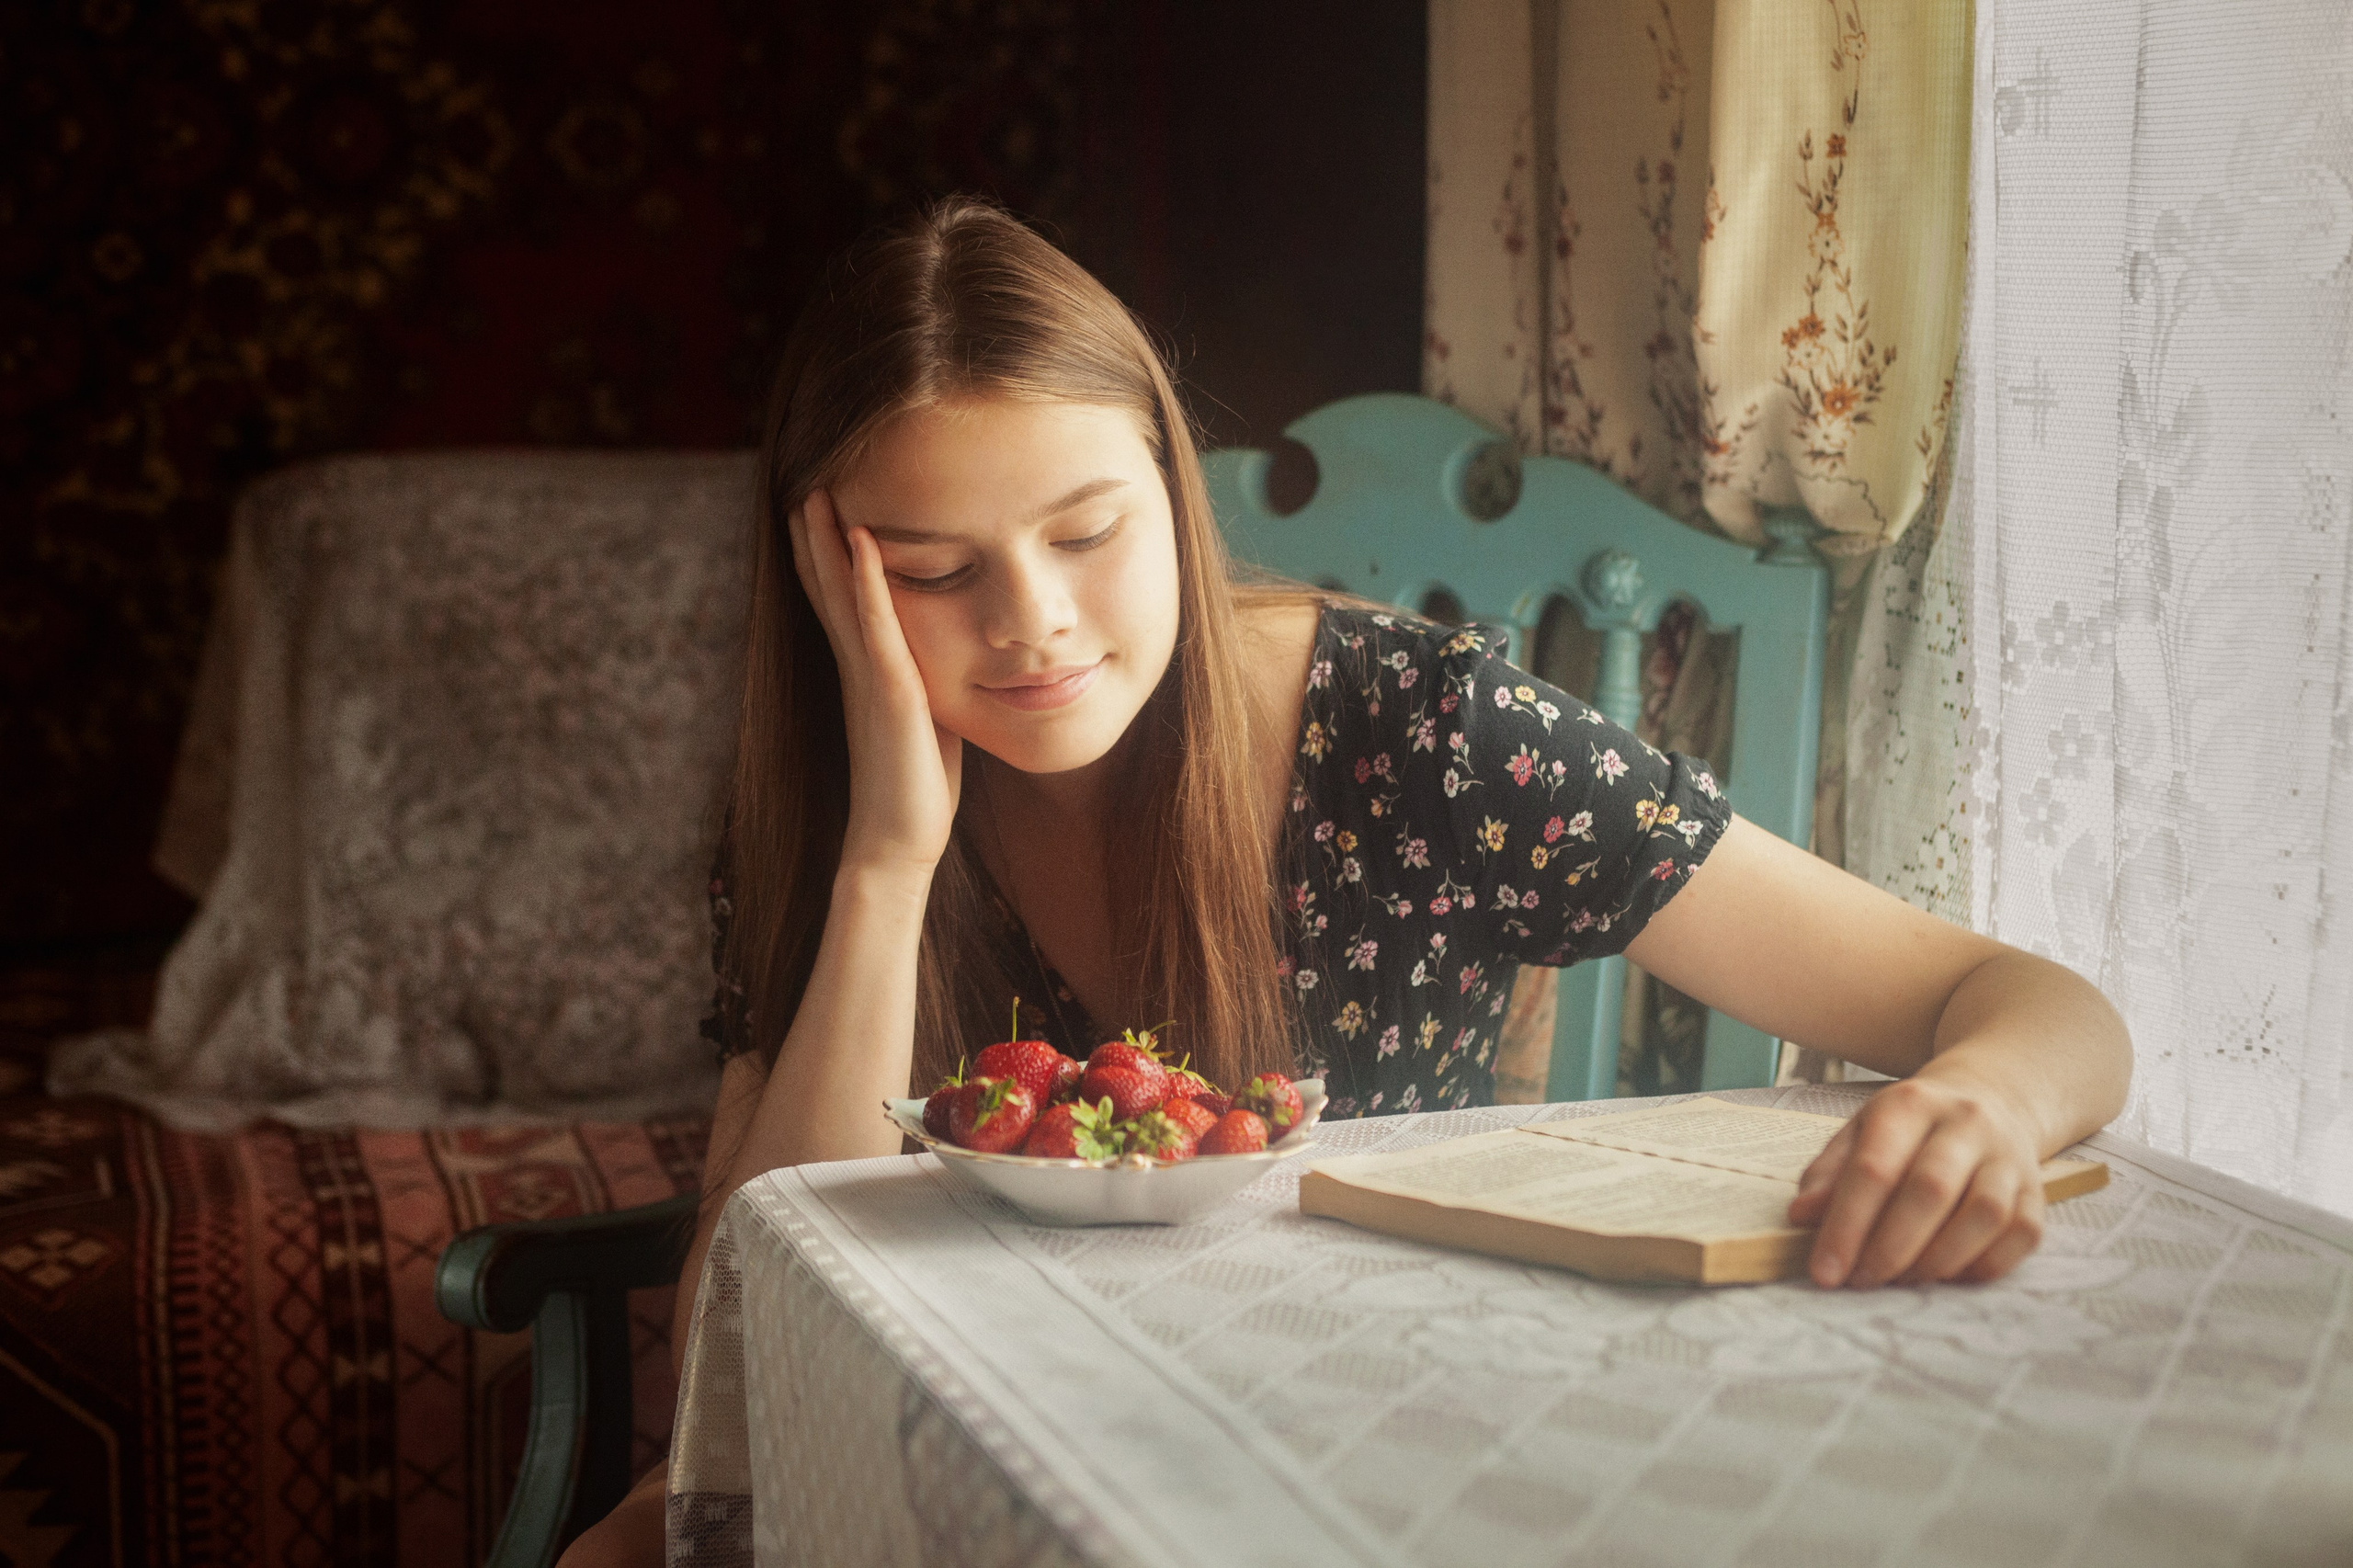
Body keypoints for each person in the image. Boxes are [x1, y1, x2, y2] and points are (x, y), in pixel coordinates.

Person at [558, 196, 2132, 1565]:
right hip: (981, 1469)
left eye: (1088, 531)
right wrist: (888, 866)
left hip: (1372, 1470)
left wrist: (1989, 1100)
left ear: (1172, 498)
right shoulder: (835, 806)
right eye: (935, 573)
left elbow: (2031, 1006)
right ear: (831, 580)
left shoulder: (1418, 729)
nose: (1032, 620)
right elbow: (743, 1363)